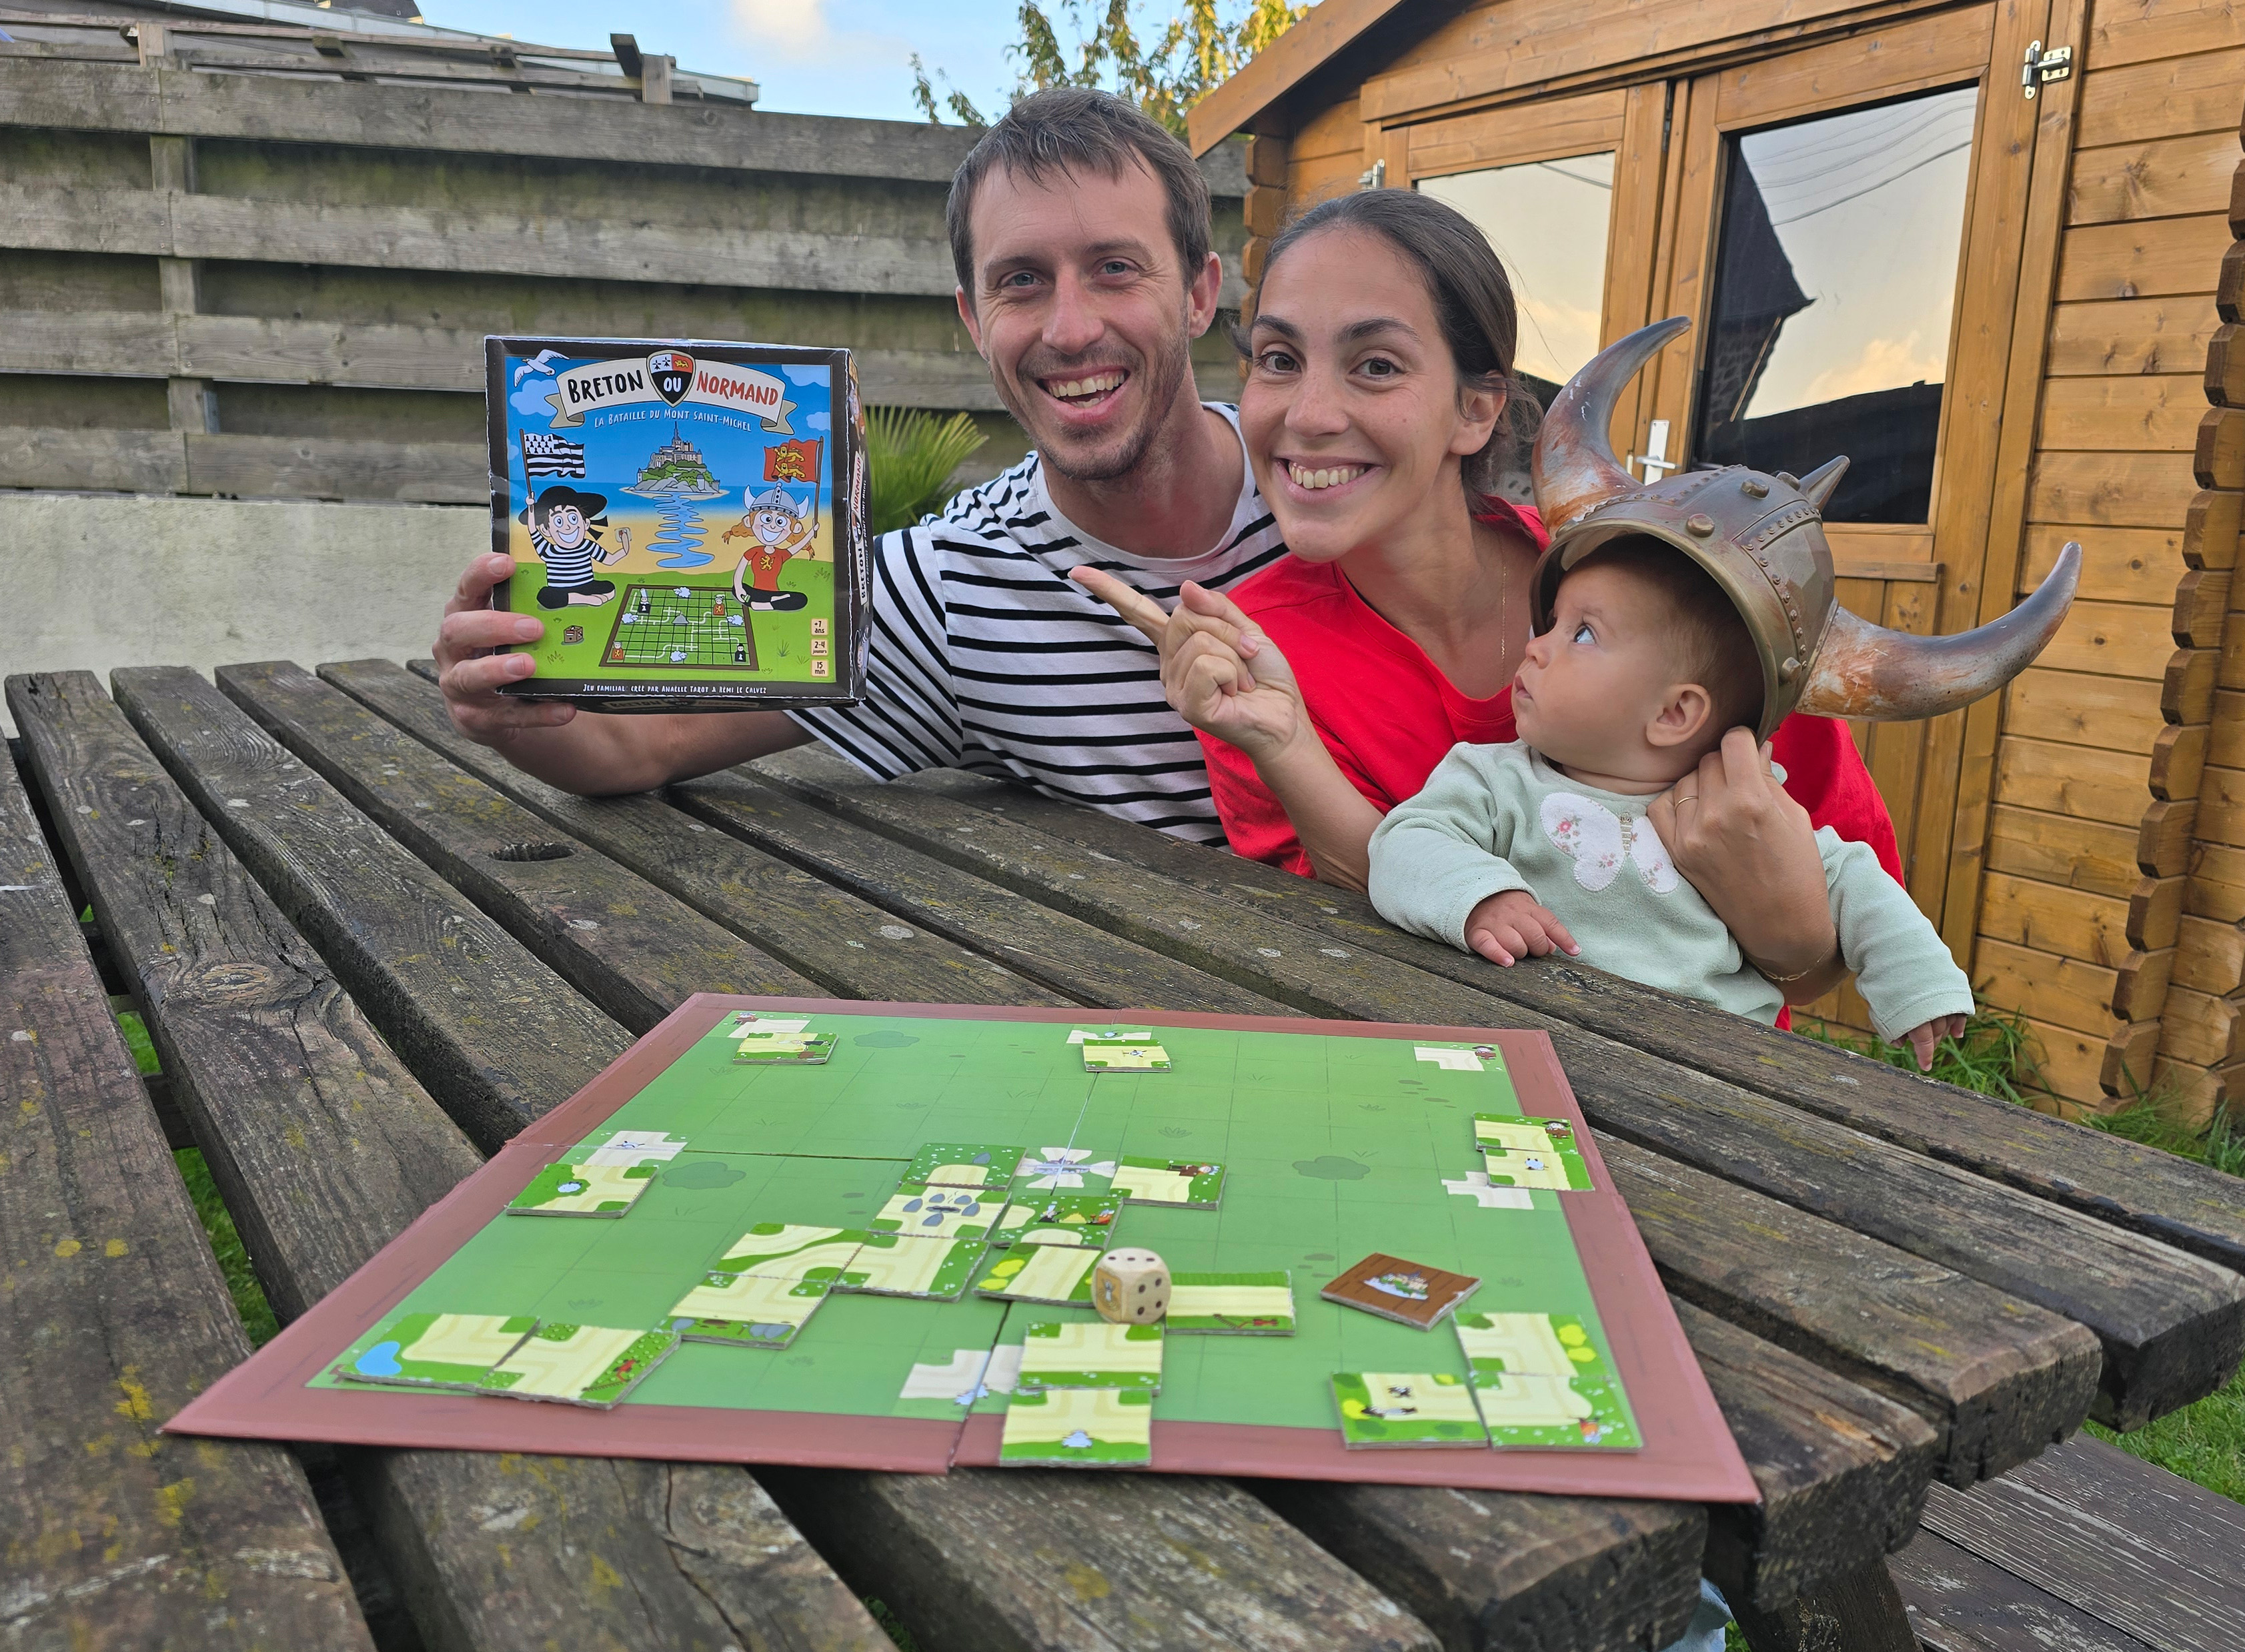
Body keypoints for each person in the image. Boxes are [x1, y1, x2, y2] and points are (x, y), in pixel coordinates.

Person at [1076, 189, 1887, 1005]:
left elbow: (1832, 960)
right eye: (1279, 359)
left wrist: (1789, 935)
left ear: (1476, 410)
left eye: (1377, 366)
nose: (1309, 414)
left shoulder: (1691, 593)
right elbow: (1355, 937)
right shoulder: (1252, 656)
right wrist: (1286, 744)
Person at [1365, 536, 1972, 1068]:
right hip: (1532, 1045)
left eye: (1582, 633)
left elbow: (1856, 881)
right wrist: (1479, 896)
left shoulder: (1733, 808)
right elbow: (1405, 840)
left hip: (1715, 1067)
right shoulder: (1496, 780)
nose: (1536, 648)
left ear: (1675, 713)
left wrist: (1919, 984)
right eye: (1547, 624)